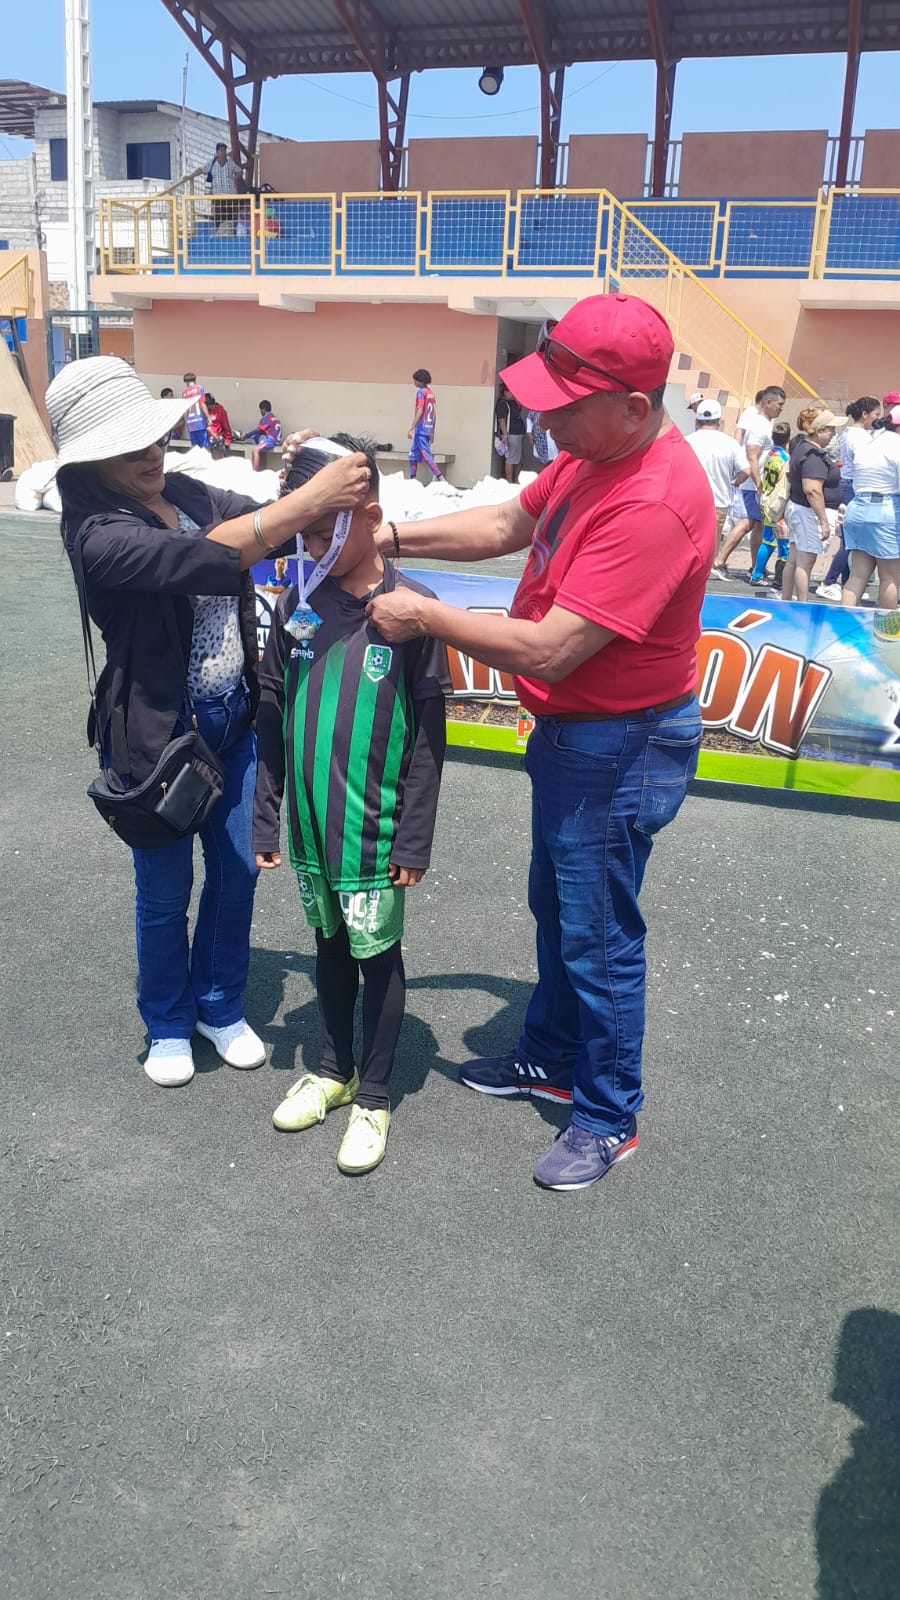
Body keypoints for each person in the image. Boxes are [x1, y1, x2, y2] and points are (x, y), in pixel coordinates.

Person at [359, 293, 715, 1192]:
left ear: (634, 406)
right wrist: (386, 536)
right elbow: (504, 525)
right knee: (558, 909)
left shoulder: (654, 499)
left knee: (597, 933)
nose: (545, 421)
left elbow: (553, 647)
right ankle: (552, 1056)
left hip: (619, 743)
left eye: (565, 406)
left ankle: (608, 1114)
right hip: (577, 734)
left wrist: (423, 614)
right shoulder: (593, 455)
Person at [47, 356, 369, 1088]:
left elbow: (270, 527)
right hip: (158, 736)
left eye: (155, 437)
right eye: (129, 448)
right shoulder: (97, 533)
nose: (152, 454)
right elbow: (203, 558)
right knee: (164, 892)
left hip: (235, 716)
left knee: (237, 873)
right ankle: (167, 1019)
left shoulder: (187, 490)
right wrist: (304, 499)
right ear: (91, 462)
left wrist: (303, 477)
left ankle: (219, 1005)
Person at [253, 435, 451, 1174]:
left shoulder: (414, 610)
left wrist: (414, 837)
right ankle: (332, 1072)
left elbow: (429, 738)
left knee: (378, 956)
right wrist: (268, 811)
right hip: (311, 829)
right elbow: (272, 710)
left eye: (317, 532)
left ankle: (374, 1095)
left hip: (373, 831)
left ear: (367, 516)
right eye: (300, 533)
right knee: (328, 946)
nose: (307, 547)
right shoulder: (297, 603)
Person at [713, 385, 786, 577]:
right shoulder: (759, 425)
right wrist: (759, 484)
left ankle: (756, 566)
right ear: (768, 402)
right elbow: (751, 456)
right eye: (779, 404)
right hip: (753, 485)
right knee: (748, 522)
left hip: (757, 484)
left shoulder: (765, 423)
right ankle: (720, 560)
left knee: (758, 524)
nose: (781, 408)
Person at [817, 395, 880, 601]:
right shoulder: (859, 436)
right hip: (853, 485)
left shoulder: (850, 433)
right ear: (865, 414)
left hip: (848, 484)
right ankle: (829, 581)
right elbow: (866, 461)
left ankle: (846, 583)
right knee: (849, 542)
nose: (877, 419)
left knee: (849, 539)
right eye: (875, 414)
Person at [781, 410, 846, 603]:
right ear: (819, 430)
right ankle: (802, 604)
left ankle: (786, 599)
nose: (833, 434)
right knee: (805, 561)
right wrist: (824, 521)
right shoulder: (813, 455)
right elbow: (812, 490)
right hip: (808, 512)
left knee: (794, 558)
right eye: (831, 429)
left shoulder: (802, 447)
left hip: (798, 508)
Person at [840, 404, 900, 611]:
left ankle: (843, 622)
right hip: (885, 510)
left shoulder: (870, 441)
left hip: (857, 508)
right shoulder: (897, 445)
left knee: (857, 575)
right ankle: (887, 629)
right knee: (890, 577)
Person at [685, 398, 749, 543]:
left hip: (690, 504)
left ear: (697, 421)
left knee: (689, 545)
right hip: (718, 504)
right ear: (718, 422)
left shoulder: (686, 441)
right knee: (711, 547)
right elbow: (746, 470)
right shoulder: (730, 444)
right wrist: (735, 482)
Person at [748, 420, 791, 590]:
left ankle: (757, 573)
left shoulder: (770, 455)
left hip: (766, 499)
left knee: (768, 539)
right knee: (781, 544)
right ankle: (763, 576)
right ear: (788, 438)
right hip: (777, 504)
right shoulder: (785, 459)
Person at [407, 368, 444, 482]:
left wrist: (411, 427)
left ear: (420, 381)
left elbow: (420, 410)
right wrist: (432, 432)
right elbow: (433, 414)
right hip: (428, 429)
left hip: (421, 429)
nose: (414, 382)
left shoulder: (421, 392)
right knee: (412, 455)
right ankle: (413, 479)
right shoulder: (431, 393)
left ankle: (441, 478)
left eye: (415, 380)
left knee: (426, 455)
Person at [206, 141, 244, 232]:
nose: (223, 152)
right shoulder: (212, 163)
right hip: (218, 195)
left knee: (229, 216)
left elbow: (239, 171)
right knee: (219, 215)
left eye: (224, 150)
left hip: (230, 194)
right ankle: (220, 234)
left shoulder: (230, 162)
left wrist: (235, 178)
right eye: (221, 150)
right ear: (217, 152)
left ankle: (228, 234)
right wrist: (190, 176)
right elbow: (201, 169)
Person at [495, 381, 527, 483]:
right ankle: (510, 481)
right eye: (510, 391)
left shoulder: (512, 402)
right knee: (511, 458)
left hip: (518, 432)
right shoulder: (502, 404)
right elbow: (502, 421)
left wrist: (517, 401)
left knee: (518, 458)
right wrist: (505, 437)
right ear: (505, 392)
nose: (512, 393)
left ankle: (516, 480)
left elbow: (519, 410)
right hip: (511, 433)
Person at [243, 400, 283, 471]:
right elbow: (263, 431)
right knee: (259, 444)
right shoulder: (274, 418)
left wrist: (246, 436)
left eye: (260, 410)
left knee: (255, 450)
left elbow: (258, 430)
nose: (260, 412)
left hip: (271, 440)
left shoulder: (266, 418)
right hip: (277, 440)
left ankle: (254, 471)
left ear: (263, 410)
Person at [182, 373, 210, 451]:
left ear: (186, 382)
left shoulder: (184, 393)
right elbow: (202, 403)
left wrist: (187, 421)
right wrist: (208, 417)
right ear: (195, 380)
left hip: (191, 423)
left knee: (195, 448)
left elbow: (186, 410)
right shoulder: (199, 388)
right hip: (200, 422)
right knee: (204, 447)